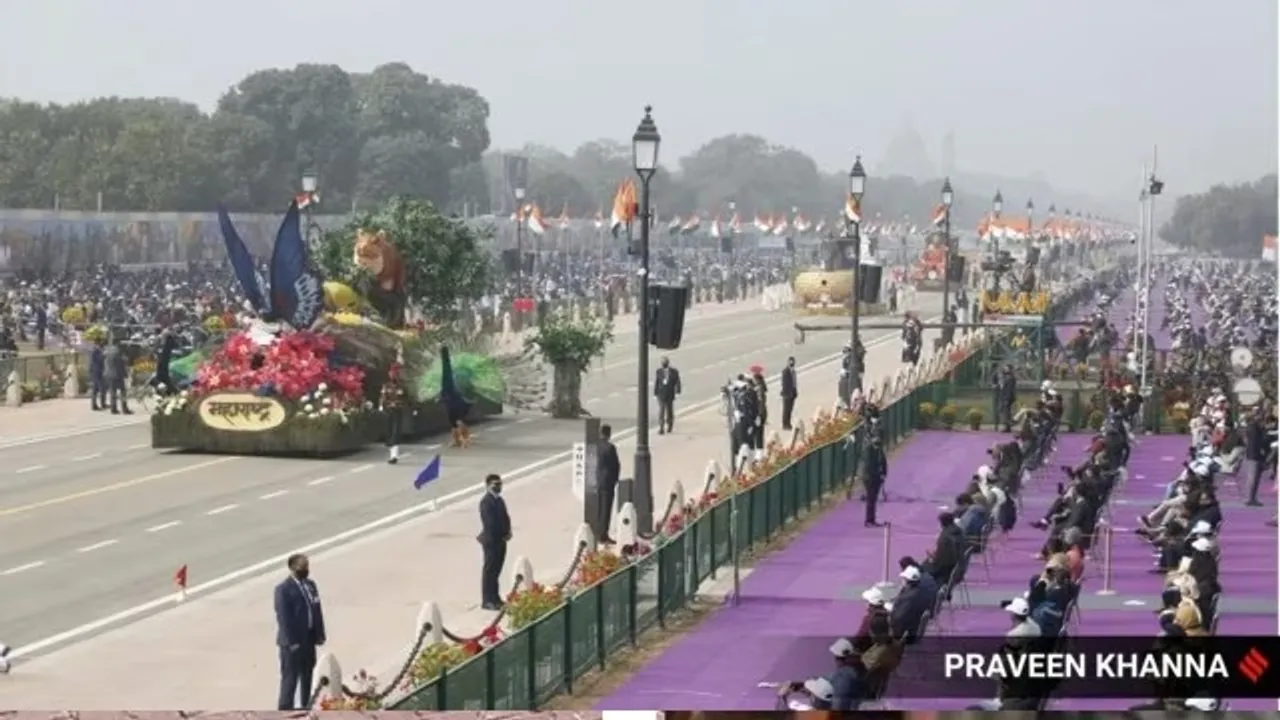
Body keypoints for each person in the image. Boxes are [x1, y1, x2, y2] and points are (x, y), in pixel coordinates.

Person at [274, 553, 326, 710]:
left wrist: (319, 633)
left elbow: (316, 610)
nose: (305, 570)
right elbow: (283, 618)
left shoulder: (310, 585)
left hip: (308, 639)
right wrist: (292, 642)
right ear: (292, 568)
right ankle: (285, 710)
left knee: (307, 675)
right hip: (292, 643)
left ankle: (304, 706)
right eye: (302, 567)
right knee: (290, 678)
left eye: (307, 566)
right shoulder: (283, 590)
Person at [478, 473, 511, 610]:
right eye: (495, 484)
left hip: (501, 540)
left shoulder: (499, 500)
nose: (499, 487)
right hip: (492, 541)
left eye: (500, 484)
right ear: (488, 486)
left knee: (497, 571)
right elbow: (489, 523)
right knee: (489, 571)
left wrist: (508, 532)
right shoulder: (486, 502)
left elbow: (506, 517)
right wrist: (501, 534)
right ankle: (487, 600)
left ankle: (496, 597)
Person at [597, 424, 621, 544]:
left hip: (596, 481)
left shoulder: (594, 446)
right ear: (609, 434)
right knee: (606, 509)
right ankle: (603, 534)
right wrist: (615, 480)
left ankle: (597, 532)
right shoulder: (610, 448)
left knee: (597, 507)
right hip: (607, 482)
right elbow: (615, 466)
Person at [861, 426, 888, 527]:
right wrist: (878, 474)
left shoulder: (879, 449)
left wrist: (884, 474)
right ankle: (869, 520)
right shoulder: (869, 450)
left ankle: (872, 519)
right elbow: (869, 466)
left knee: (874, 499)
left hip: (877, 478)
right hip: (869, 478)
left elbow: (883, 462)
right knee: (870, 499)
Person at [381, 365, 407, 464]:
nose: (393, 375)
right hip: (388, 412)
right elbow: (383, 398)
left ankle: (394, 456)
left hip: (397, 412)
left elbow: (406, 400)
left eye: (395, 373)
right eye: (391, 373)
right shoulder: (386, 386)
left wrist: (398, 404)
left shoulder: (402, 386)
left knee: (395, 433)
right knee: (389, 433)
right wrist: (385, 405)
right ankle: (391, 453)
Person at [104, 335, 131, 415]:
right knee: (123, 392)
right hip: (118, 374)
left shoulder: (107, 350)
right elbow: (120, 364)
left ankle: (113, 408)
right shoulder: (118, 352)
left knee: (113, 392)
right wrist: (125, 374)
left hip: (109, 374)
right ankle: (124, 408)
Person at [654, 356, 681, 434]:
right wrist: (655, 392)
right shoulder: (659, 371)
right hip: (661, 394)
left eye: (664, 362)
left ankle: (670, 425)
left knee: (669, 411)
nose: (663, 364)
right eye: (662, 362)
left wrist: (678, 391)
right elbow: (657, 382)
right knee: (661, 411)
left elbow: (677, 381)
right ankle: (661, 428)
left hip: (669, 394)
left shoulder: (674, 371)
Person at [780, 356, 798, 431]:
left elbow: (794, 382)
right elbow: (784, 384)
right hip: (787, 394)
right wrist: (787, 393)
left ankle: (788, 423)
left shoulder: (793, 371)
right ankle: (785, 424)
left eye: (793, 362)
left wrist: (795, 391)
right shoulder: (785, 371)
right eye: (790, 361)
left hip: (793, 392)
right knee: (786, 410)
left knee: (790, 409)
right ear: (788, 362)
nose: (792, 363)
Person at [89, 338, 106, 411]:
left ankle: (95, 405)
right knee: (102, 388)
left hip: (96, 372)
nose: (102, 346)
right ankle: (102, 404)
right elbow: (98, 361)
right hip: (97, 372)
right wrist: (103, 355)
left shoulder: (96, 351)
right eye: (100, 344)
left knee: (95, 389)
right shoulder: (95, 351)